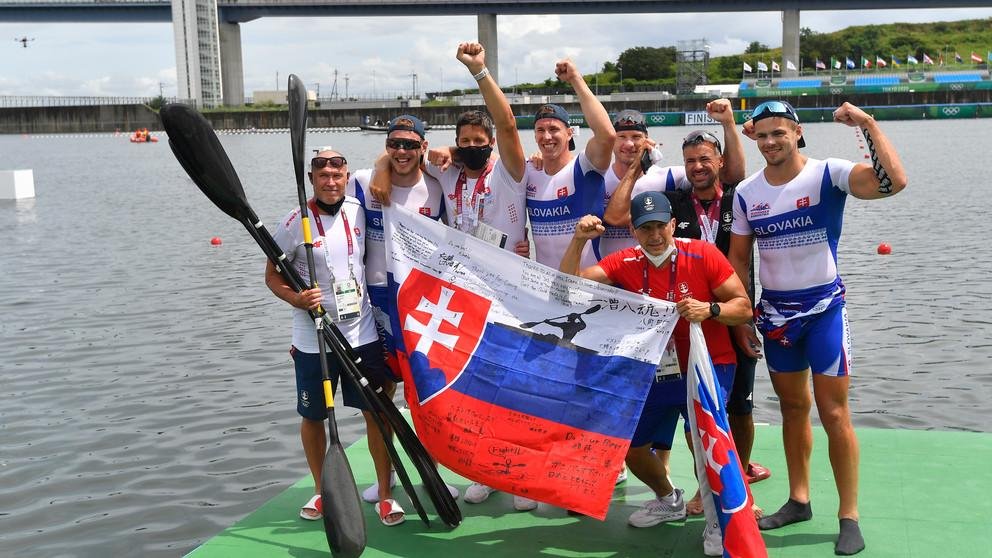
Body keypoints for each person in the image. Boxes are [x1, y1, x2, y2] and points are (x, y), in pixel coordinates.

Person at [728, 100, 908, 556]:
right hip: (775, 316)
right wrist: (743, 317)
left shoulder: (829, 173)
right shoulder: (748, 192)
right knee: (792, 410)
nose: (770, 142)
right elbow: (738, 261)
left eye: (779, 133)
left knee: (833, 414)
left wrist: (867, 123)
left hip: (824, 310)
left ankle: (849, 515)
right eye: (763, 135)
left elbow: (892, 183)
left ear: (797, 132)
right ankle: (799, 499)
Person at [561, 192, 753, 556]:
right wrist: (578, 240)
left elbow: (742, 308)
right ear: (632, 230)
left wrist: (709, 309)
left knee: (704, 441)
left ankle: (717, 520)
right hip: (656, 368)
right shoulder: (624, 261)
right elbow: (569, 290)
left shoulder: (703, 253)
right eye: (645, 228)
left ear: (672, 225)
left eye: (660, 226)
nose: (654, 236)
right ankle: (669, 499)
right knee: (631, 447)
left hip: (708, 363)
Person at [603, 102, 769, 518]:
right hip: (687, 324)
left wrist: (739, 320)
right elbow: (620, 216)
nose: (697, 167)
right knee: (686, 419)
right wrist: (635, 165)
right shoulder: (672, 204)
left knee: (739, 408)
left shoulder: (740, 197)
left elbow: (741, 270)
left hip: (732, 311)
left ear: (720, 163)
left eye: (705, 160)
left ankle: (737, 486)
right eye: (690, 161)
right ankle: (694, 492)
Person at [266, 149, 404, 526]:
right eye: (322, 175)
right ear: (312, 179)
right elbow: (272, 277)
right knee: (313, 417)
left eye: (337, 174)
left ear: (346, 177)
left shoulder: (360, 211)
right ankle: (321, 489)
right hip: (314, 338)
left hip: (361, 334)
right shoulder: (295, 222)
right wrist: (297, 298)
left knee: (376, 413)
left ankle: (385, 493)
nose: (330, 181)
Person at [347, 115, 455, 504]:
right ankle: (385, 477)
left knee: (426, 395)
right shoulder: (361, 181)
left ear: (424, 147)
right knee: (380, 396)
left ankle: (433, 476)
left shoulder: (439, 187)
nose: (402, 152)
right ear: (386, 146)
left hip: (422, 303)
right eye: (395, 144)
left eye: (411, 145)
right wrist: (379, 167)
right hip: (374, 302)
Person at [600, 100, 745, 258]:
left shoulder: (670, 177)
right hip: (610, 271)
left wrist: (728, 123)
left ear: (647, 140)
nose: (629, 144)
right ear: (613, 140)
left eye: (636, 136)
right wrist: (636, 167)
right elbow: (615, 217)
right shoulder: (597, 177)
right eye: (622, 137)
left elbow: (729, 176)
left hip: (649, 273)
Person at [523, 60, 615, 269]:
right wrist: (450, 151)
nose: (547, 137)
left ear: (569, 133)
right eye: (540, 130)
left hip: (587, 285)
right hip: (545, 287)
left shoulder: (585, 167)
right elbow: (490, 163)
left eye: (554, 129)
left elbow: (607, 136)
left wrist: (575, 79)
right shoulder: (529, 170)